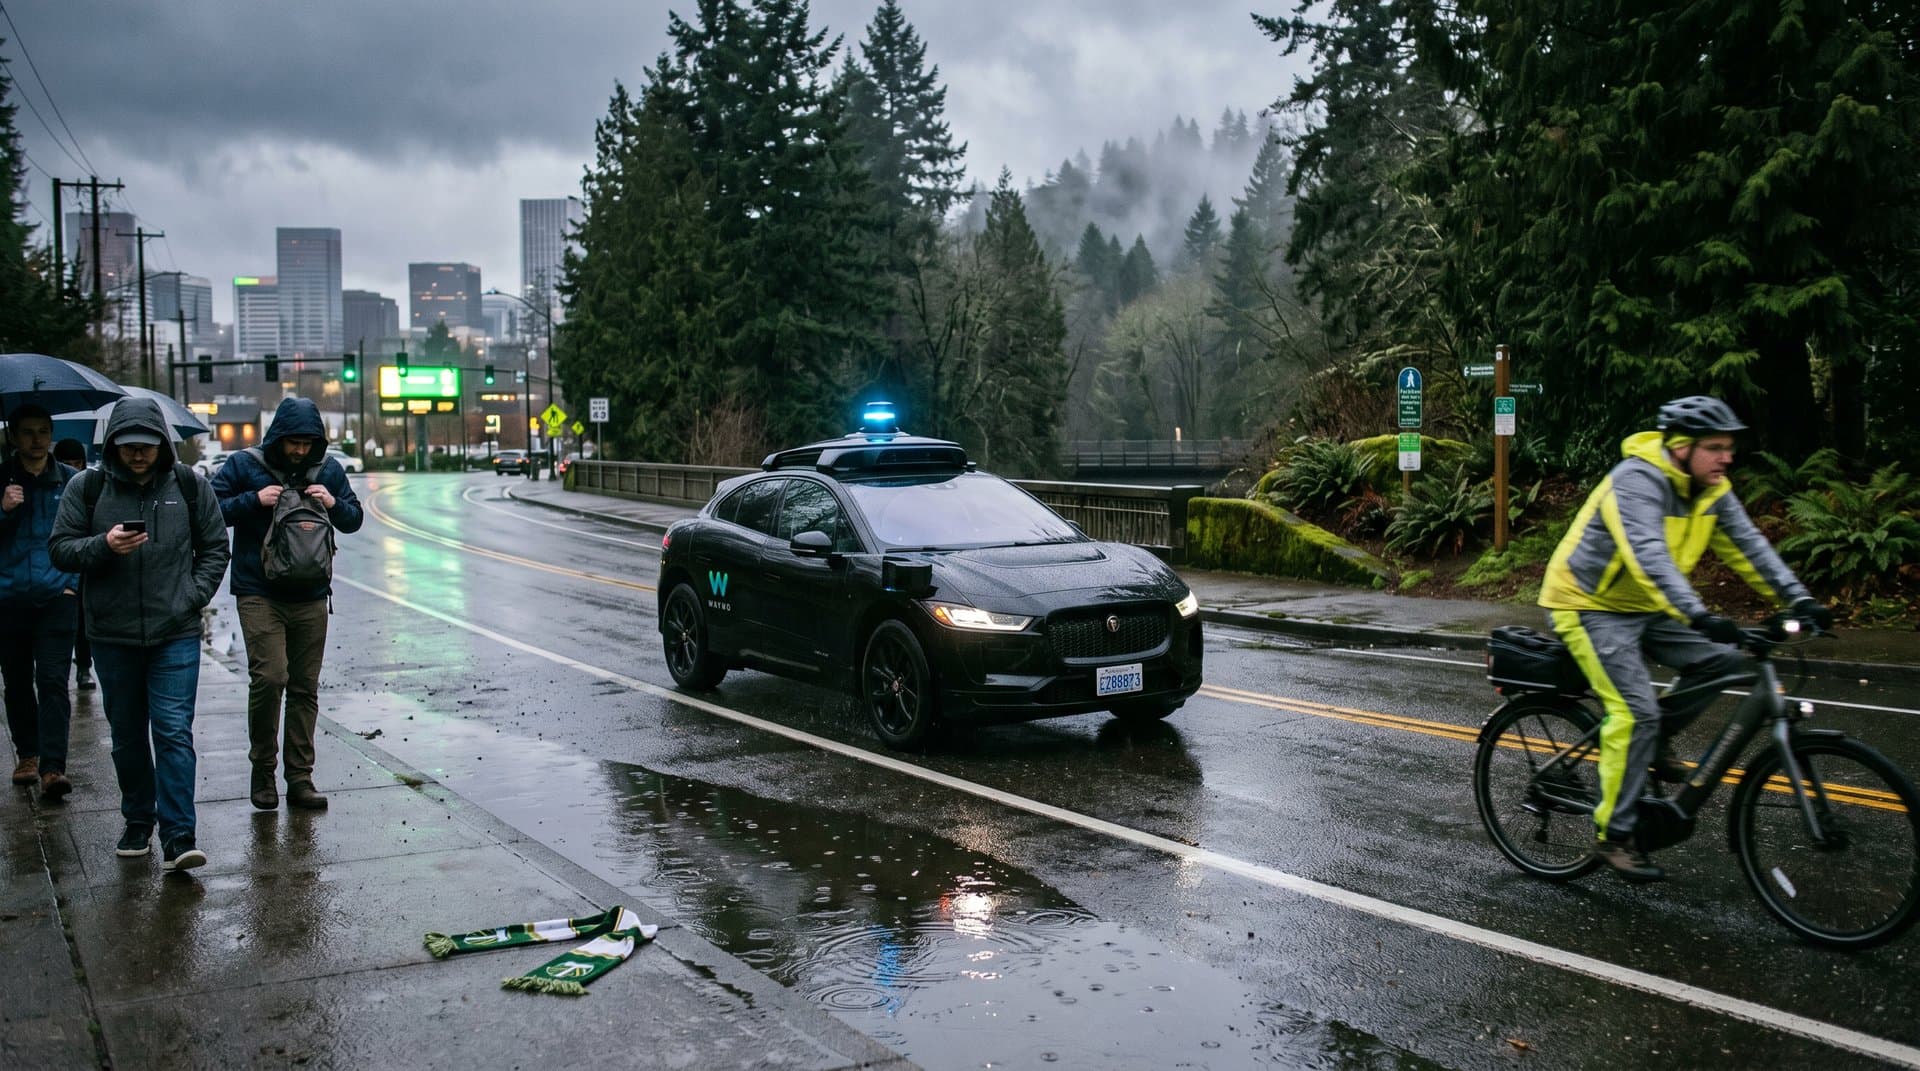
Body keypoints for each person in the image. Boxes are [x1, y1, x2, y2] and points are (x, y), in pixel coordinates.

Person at [1539, 395, 1829, 883]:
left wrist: (1799, 600)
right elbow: (1648, 556)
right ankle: (1615, 833)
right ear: (1679, 447)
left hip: (1648, 607)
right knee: (1635, 713)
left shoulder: (1711, 488)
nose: (1726, 457)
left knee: (1726, 661)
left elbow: (1750, 546)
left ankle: (1654, 740)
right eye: (1715, 447)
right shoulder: (1636, 481)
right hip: (1588, 604)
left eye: (1729, 447)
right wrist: (1696, 613)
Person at [49, 398, 229, 871]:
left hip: (176, 631)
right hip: (112, 633)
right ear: (113, 445)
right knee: (128, 735)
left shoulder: (190, 486)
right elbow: (61, 549)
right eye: (128, 446)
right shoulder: (86, 489)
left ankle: (178, 834)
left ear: (162, 445)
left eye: (146, 446)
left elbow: (215, 547)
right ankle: (137, 820)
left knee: (172, 732)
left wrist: (193, 595)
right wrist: (103, 546)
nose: (137, 454)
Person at [211, 397, 362, 812]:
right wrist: (253, 501)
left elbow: (354, 518)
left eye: (306, 443)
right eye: (292, 442)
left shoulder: (328, 469)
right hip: (258, 591)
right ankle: (263, 770)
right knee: (271, 677)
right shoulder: (244, 465)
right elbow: (208, 510)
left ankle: (300, 778)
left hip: (312, 594)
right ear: (278, 437)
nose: (298, 451)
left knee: (303, 687)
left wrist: (332, 502)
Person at [1, 406, 82, 799]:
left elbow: (84, 534)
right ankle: (27, 754)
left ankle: (53, 767)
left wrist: (72, 584)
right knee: (16, 681)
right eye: (28, 432)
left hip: (56, 596)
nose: (37, 439)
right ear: (13, 436)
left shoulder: (71, 481)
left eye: (43, 431)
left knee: (52, 680)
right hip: (7, 596)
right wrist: (3, 511)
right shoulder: (3, 480)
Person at [51, 438, 93, 693]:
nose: (73, 468)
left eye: (77, 463)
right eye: (68, 464)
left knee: (82, 622)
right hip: (54, 567)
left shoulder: (88, 487)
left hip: (82, 565)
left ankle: (84, 667)